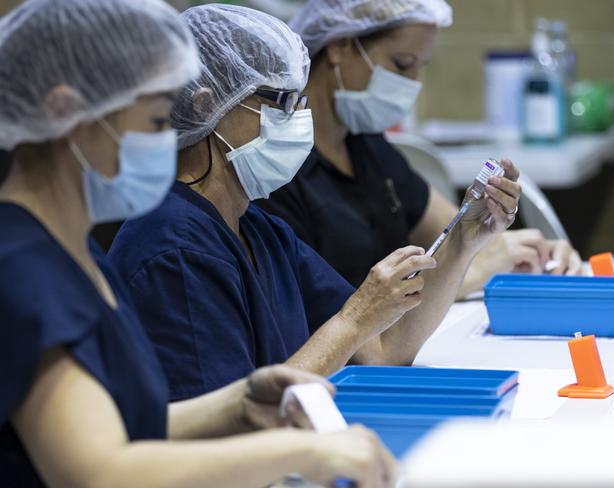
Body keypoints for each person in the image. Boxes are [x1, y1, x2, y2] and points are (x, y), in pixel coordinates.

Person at [0, 1, 396, 486]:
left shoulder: (74, 254)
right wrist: (302, 451)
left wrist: (239, 401)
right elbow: (99, 471)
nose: (170, 139)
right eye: (153, 123)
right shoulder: (21, 268)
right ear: (65, 113)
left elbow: (123, 422)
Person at [108, 3, 522, 401]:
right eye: (281, 104)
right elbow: (228, 428)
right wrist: (353, 319)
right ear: (206, 105)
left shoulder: (261, 231)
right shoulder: (174, 248)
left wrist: (464, 239)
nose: (297, 121)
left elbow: (382, 352)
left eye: (299, 102)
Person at [258, 0, 582, 293]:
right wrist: (477, 269)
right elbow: (329, 314)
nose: (412, 84)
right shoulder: (279, 167)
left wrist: (529, 250)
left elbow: (457, 234)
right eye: (401, 64)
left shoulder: (368, 149)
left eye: (419, 67)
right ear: (340, 45)